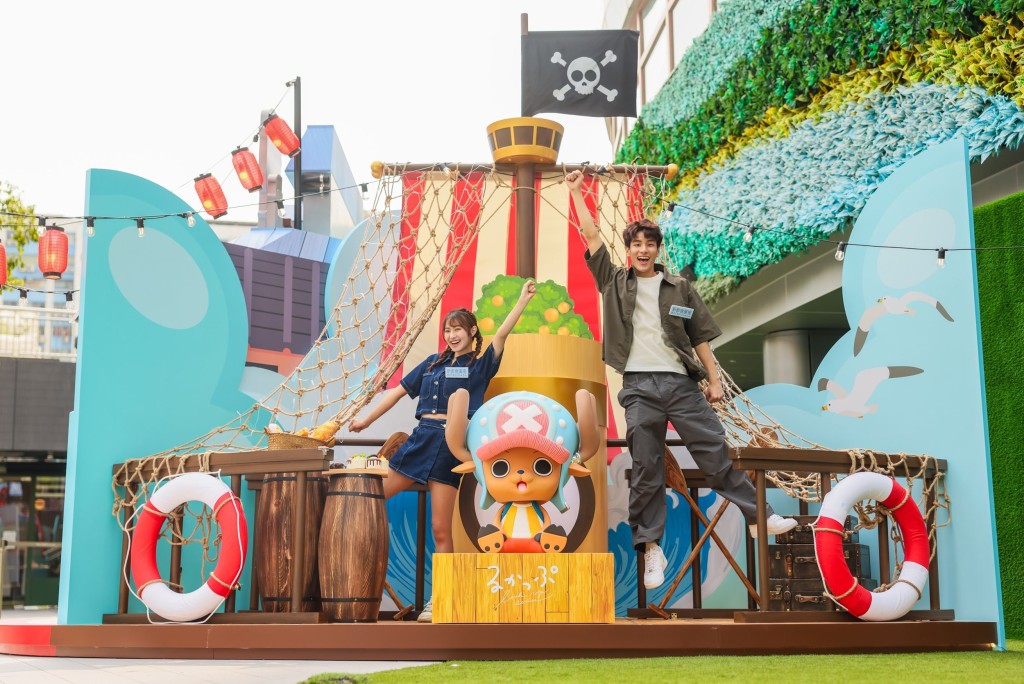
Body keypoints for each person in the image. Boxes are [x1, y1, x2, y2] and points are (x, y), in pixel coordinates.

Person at [566, 169, 796, 590]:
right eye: (636, 244)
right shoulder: (614, 282)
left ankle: (756, 517)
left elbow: (700, 338)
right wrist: (577, 193)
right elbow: (591, 234)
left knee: (715, 452)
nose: (643, 250)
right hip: (639, 387)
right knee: (647, 466)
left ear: (657, 249)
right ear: (628, 250)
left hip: (681, 385)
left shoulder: (679, 288)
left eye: (649, 244)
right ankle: (650, 547)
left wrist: (715, 381)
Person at [349, 280, 536, 619]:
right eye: (448, 330)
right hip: (420, 439)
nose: (452, 335)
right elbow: (397, 393)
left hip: (450, 445)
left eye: (458, 329)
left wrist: (522, 301)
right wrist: (364, 421)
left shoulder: (480, 365)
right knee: (369, 498)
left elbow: (502, 335)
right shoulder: (432, 363)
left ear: (472, 331)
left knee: (440, 528)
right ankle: (353, 570)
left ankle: (442, 598)